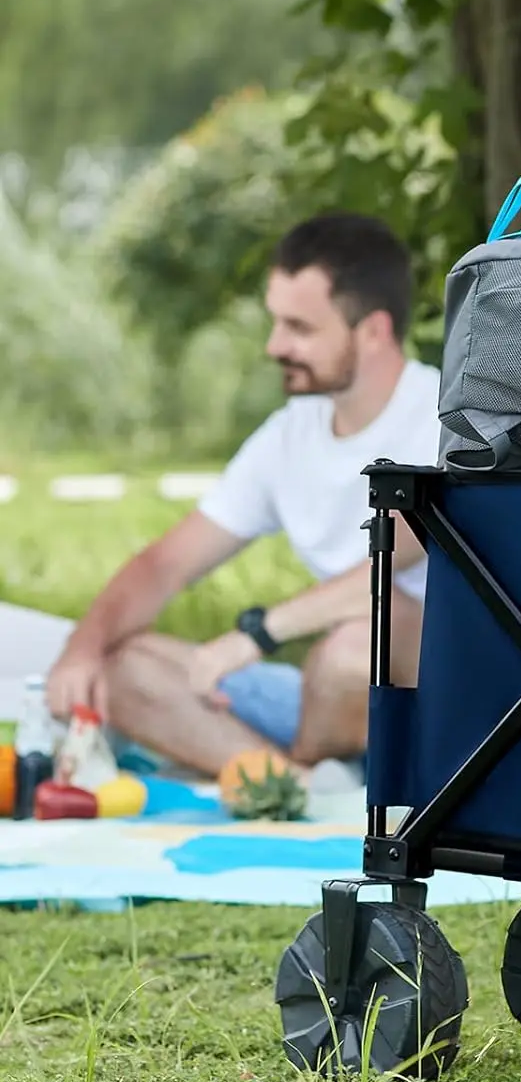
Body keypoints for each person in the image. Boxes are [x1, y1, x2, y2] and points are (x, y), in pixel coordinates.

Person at [44, 212, 439, 780]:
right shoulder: (290, 434)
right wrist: (81, 647)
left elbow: (391, 563)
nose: (274, 344)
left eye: (299, 328)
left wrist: (255, 635)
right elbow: (165, 565)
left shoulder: (442, 421)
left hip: (426, 703)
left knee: (360, 642)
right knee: (123, 667)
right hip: (324, 701)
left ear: (373, 331)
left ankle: (293, 775)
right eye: (276, 322)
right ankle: (295, 783)